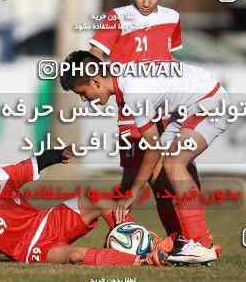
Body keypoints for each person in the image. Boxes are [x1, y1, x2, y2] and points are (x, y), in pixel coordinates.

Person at [61, 51, 228, 264]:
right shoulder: (125, 80)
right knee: (162, 168)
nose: (84, 99)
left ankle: (200, 244)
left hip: (209, 102)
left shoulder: (132, 92)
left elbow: (153, 145)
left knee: (173, 164)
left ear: (95, 81)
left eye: (82, 93)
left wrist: (132, 193)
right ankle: (188, 242)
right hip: (188, 107)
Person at [88, 0, 202, 246]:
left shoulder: (172, 18)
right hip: (133, 107)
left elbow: (170, 57)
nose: (147, 2)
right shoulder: (117, 16)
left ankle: (187, 238)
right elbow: (93, 57)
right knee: (135, 178)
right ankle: (120, 236)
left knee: (179, 170)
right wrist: (92, 85)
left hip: (167, 105)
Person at [0, 147, 171, 266]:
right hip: (32, 249)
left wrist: (58, 154)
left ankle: (146, 245)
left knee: (98, 201)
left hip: (47, 221)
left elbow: (37, 162)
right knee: (75, 255)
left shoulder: (4, 177)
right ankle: (141, 259)